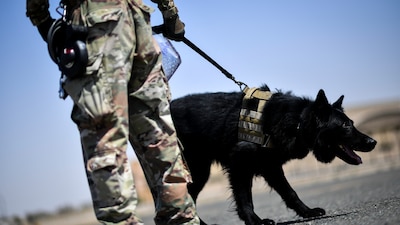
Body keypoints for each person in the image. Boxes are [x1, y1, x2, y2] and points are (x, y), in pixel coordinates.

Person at [26, 0, 200, 224]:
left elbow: (37, 8)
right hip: (138, 25)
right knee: (159, 139)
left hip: (97, 25)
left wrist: (42, 21)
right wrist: (171, 15)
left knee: (105, 136)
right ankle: (182, 219)